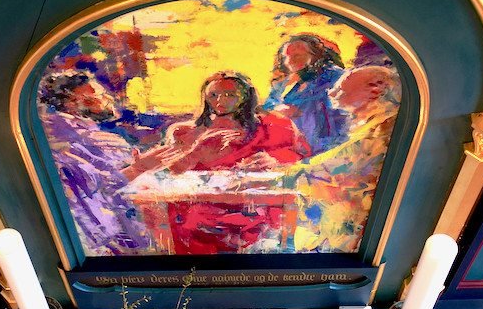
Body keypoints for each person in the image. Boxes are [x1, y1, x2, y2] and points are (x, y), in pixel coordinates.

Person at [39, 70, 174, 255]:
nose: (107, 98)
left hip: (114, 230)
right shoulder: (66, 139)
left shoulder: (83, 132)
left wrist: (138, 166)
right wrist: (138, 168)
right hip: (102, 240)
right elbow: (94, 185)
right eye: (98, 94)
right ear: (72, 103)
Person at [271, 65, 403, 253]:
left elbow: (333, 170)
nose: (331, 93)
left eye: (341, 89)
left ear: (376, 90)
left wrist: (279, 173)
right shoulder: (370, 126)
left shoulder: (383, 131)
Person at [159, 71, 310, 174]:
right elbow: (168, 172)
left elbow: (300, 154)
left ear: (246, 97)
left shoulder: (273, 125)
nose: (220, 101)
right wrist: (198, 152)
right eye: (213, 95)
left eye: (230, 95)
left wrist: (273, 160)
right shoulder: (183, 132)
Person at [263, 34, 350, 155]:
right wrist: (279, 107)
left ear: (316, 56)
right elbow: (268, 103)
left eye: (297, 56)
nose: (290, 61)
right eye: (286, 57)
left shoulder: (336, 77)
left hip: (331, 147)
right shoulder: (287, 83)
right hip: (300, 148)